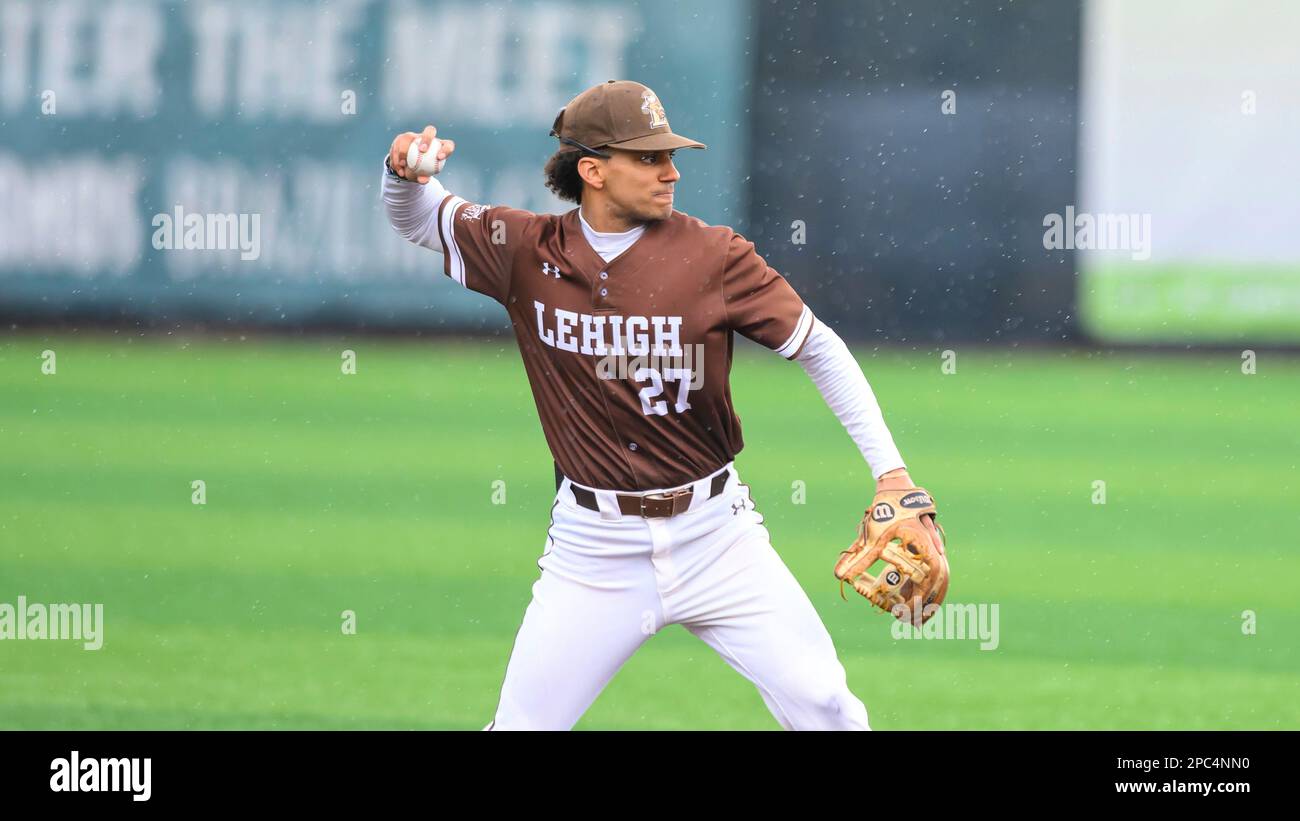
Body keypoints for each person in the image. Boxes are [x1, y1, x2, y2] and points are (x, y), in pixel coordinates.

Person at [381, 80, 940, 730]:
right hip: (593, 549)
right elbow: (418, 217)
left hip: (718, 535)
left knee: (828, 706)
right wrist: (403, 175)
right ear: (592, 169)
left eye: (670, 154)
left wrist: (891, 470)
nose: (671, 170)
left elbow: (819, 348)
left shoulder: (715, 256)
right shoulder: (524, 250)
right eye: (648, 157)